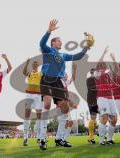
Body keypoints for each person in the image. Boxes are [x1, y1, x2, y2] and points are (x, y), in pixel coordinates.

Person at [39, 19, 90, 150]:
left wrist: (86, 47)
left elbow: (77, 56)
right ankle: (42, 138)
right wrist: (48, 31)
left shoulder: (63, 55)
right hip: (47, 79)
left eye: (61, 40)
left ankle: (59, 139)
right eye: (59, 40)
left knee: (65, 109)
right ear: (53, 43)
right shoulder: (47, 50)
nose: (61, 42)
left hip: (58, 82)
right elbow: (41, 43)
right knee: (47, 103)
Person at [95, 47, 117, 145]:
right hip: (101, 97)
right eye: (102, 64)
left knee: (114, 119)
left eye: (105, 64)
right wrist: (103, 53)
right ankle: (101, 140)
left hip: (110, 98)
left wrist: (114, 59)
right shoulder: (97, 73)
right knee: (104, 117)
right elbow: (99, 62)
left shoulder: (108, 75)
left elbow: (116, 69)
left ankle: (109, 139)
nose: (104, 65)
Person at [22, 59, 43, 146]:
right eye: (33, 63)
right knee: (27, 115)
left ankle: (38, 137)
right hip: (29, 95)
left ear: (38, 65)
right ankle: (25, 138)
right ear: (32, 65)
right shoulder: (30, 73)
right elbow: (24, 72)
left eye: (36, 63)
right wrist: (26, 63)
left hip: (38, 95)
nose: (35, 64)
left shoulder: (41, 73)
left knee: (39, 116)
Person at [86, 68, 98, 144]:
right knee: (93, 117)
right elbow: (92, 88)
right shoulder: (90, 79)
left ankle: (95, 132)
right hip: (92, 99)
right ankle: (91, 137)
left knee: (95, 117)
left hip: (95, 99)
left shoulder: (96, 79)